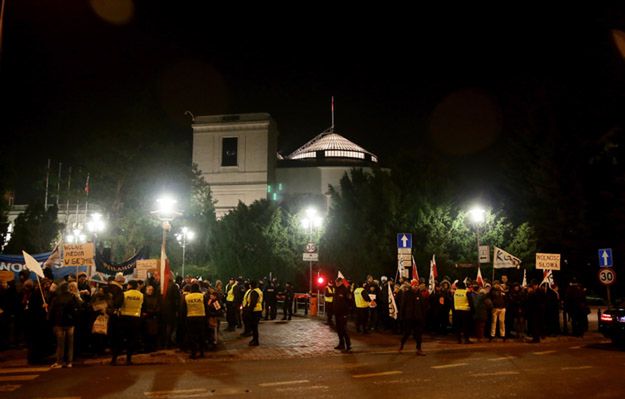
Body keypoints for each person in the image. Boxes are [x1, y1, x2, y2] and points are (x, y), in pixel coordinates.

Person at [112, 280, 143, 365]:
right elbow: (144, 306)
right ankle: (128, 360)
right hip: (135, 319)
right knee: (131, 340)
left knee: (119, 339)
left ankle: (114, 359)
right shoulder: (141, 295)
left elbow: (117, 304)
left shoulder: (125, 294)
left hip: (124, 318)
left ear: (129, 285)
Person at [49, 283, 79, 368]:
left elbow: (52, 311)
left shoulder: (56, 298)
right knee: (70, 343)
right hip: (70, 323)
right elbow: (76, 310)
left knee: (60, 344)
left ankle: (59, 362)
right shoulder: (72, 297)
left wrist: (52, 321)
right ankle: (69, 362)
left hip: (59, 323)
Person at [399, 279, 427, 355]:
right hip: (409, 317)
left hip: (418, 318)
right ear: (412, 285)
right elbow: (402, 306)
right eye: (415, 285)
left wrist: (422, 316)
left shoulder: (419, 294)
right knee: (407, 333)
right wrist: (401, 316)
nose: (416, 287)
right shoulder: (407, 294)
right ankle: (401, 345)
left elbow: (422, 306)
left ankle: (419, 349)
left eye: (417, 285)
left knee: (418, 334)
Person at [183, 283, 207, 358]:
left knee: (192, 336)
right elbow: (206, 307)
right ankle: (202, 352)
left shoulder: (187, 297)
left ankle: (193, 353)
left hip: (190, 317)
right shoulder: (202, 296)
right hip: (201, 317)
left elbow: (184, 309)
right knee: (201, 335)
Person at [333, 277, 352, 352]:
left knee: (343, 329)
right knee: (338, 329)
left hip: (343, 313)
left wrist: (347, 311)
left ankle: (348, 345)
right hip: (337, 313)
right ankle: (341, 344)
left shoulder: (345, 290)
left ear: (341, 282)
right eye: (336, 282)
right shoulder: (336, 290)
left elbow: (350, 301)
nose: (336, 284)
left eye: (338, 282)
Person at [242, 280, 263, 346]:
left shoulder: (254, 292)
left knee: (254, 327)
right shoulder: (258, 290)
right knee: (254, 327)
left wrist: (248, 311)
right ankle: (254, 339)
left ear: (251, 285)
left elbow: (253, 303)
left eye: (250, 285)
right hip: (257, 310)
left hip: (255, 311)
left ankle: (255, 341)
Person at [142, 285, 161, 353]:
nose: (151, 291)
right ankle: (146, 348)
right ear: (146, 290)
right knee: (146, 334)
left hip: (153, 318)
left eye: (152, 290)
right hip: (146, 319)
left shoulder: (155, 298)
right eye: (149, 290)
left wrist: (151, 312)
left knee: (153, 334)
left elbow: (158, 307)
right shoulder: (143, 297)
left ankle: (152, 347)